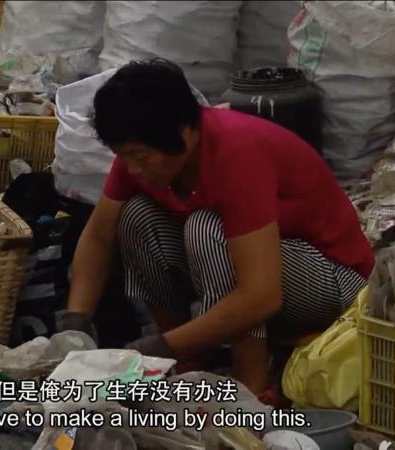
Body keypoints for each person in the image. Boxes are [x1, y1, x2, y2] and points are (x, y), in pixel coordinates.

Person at [57, 59, 373, 398]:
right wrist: (77, 322)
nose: (132, 168)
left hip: (334, 285)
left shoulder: (236, 152)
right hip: (267, 276)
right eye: (123, 155)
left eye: (140, 156)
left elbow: (261, 295)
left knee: (206, 229)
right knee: (135, 216)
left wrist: (160, 345)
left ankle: (252, 381)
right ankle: (189, 360)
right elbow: (99, 237)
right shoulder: (143, 155)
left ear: (183, 131)